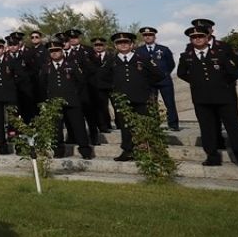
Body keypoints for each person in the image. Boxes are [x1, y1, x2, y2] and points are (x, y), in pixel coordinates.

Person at [178, 26, 238, 168]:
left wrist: (221, 83)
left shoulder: (220, 53)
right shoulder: (186, 56)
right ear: (190, 40)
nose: (198, 39)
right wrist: (197, 82)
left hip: (224, 97)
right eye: (194, 37)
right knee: (207, 128)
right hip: (201, 98)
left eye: (201, 36)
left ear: (207, 38)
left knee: (234, 127)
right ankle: (212, 157)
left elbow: (234, 73)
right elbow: (181, 73)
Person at [99, 32, 165, 161]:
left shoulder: (142, 58)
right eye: (119, 43)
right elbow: (101, 78)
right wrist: (114, 88)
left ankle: (151, 151)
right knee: (125, 126)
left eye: (126, 42)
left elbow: (159, 74)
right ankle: (128, 151)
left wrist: (145, 85)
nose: (123, 45)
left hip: (142, 98)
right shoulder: (111, 60)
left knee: (146, 124)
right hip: (122, 101)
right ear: (115, 45)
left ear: (132, 44)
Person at [42, 39, 94, 160]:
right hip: (55, 103)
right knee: (56, 129)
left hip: (72, 101)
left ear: (62, 51)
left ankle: (85, 150)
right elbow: (43, 84)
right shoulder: (46, 67)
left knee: (78, 126)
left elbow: (81, 82)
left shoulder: (71, 65)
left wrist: (75, 95)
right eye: (52, 51)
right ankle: (59, 150)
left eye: (57, 50)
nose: (54, 53)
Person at [135, 27, 179, 130]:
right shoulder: (138, 50)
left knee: (169, 103)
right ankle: (154, 124)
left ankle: (173, 124)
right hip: (149, 82)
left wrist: (164, 73)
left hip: (164, 80)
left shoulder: (164, 49)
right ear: (143, 37)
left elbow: (171, 64)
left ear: (154, 36)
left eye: (150, 35)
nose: (148, 37)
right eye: (145, 35)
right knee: (151, 104)